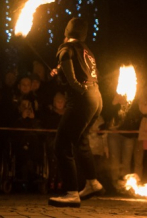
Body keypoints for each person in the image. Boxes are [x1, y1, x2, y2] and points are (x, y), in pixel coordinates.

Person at [48, 17, 104, 208]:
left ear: (66, 30)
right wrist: (59, 72)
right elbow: (79, 71)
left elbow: (72, 79)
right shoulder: (86, 49)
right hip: (97, 98)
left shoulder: (65, 48)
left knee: (61, 145)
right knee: (80, 140)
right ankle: (92, 182)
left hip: (82, 99)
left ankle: (71, 193)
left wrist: (76, 87)